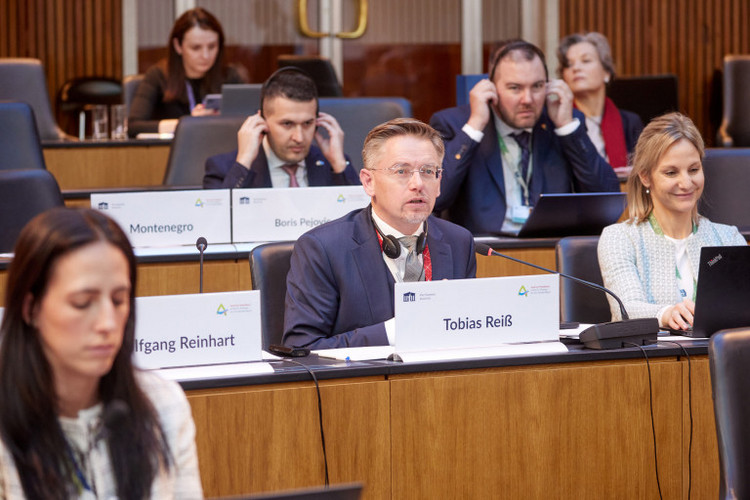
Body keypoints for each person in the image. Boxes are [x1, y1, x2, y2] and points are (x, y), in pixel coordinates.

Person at [0, 208, 202, 498]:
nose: (107, 323)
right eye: (83, 303)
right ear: (31, 308)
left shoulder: (163, 405)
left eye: (119, 300)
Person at [282, 118, 476, 349]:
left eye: (427, 171)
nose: (417, 184)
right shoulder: (323, 248)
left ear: (439, 181)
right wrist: (395, 331)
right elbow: (302, 348)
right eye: (401, 171)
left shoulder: (459, 242)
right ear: (368, 182)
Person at [430, 39, 620, 236]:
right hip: (485, 253)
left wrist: (567, 128)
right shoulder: (455, 123)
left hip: (547, 249)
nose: (527, 99)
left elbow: (608, 199)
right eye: (515, 88)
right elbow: (436, 198)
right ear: (492, 88)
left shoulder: (560, 123)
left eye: (537, 86)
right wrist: (475, 126)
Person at [598, 113, 746, 331]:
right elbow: (625, 309)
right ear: (645, 177)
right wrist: (664, 314)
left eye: (694, 170)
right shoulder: (618, 238)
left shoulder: (729, 238)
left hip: (720, 359)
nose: (686, 183)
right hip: (655, 363)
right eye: (671, 172)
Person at [203, 68, 359, 189]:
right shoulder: (225, 168)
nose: (299, 137)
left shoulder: (333, 165)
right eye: (287, 124)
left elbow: (363, 221)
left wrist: (339, 164)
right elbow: (214, 223)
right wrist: (244, 163)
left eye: (307, 124)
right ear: (261, 121)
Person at [128, 7, 245, 137]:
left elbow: (249, 120)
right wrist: (189, 124)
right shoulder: (158, 75)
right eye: (196, 48)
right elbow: (133, 126)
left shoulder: (230, 76)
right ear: (178, 46)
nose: (205, 55)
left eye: (212, 47)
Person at [557, 32, 643, 169]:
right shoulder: (560, 123)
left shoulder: (630, 123)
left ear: (606, 72)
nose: (576, 68)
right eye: (569, 64)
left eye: (586, 61)